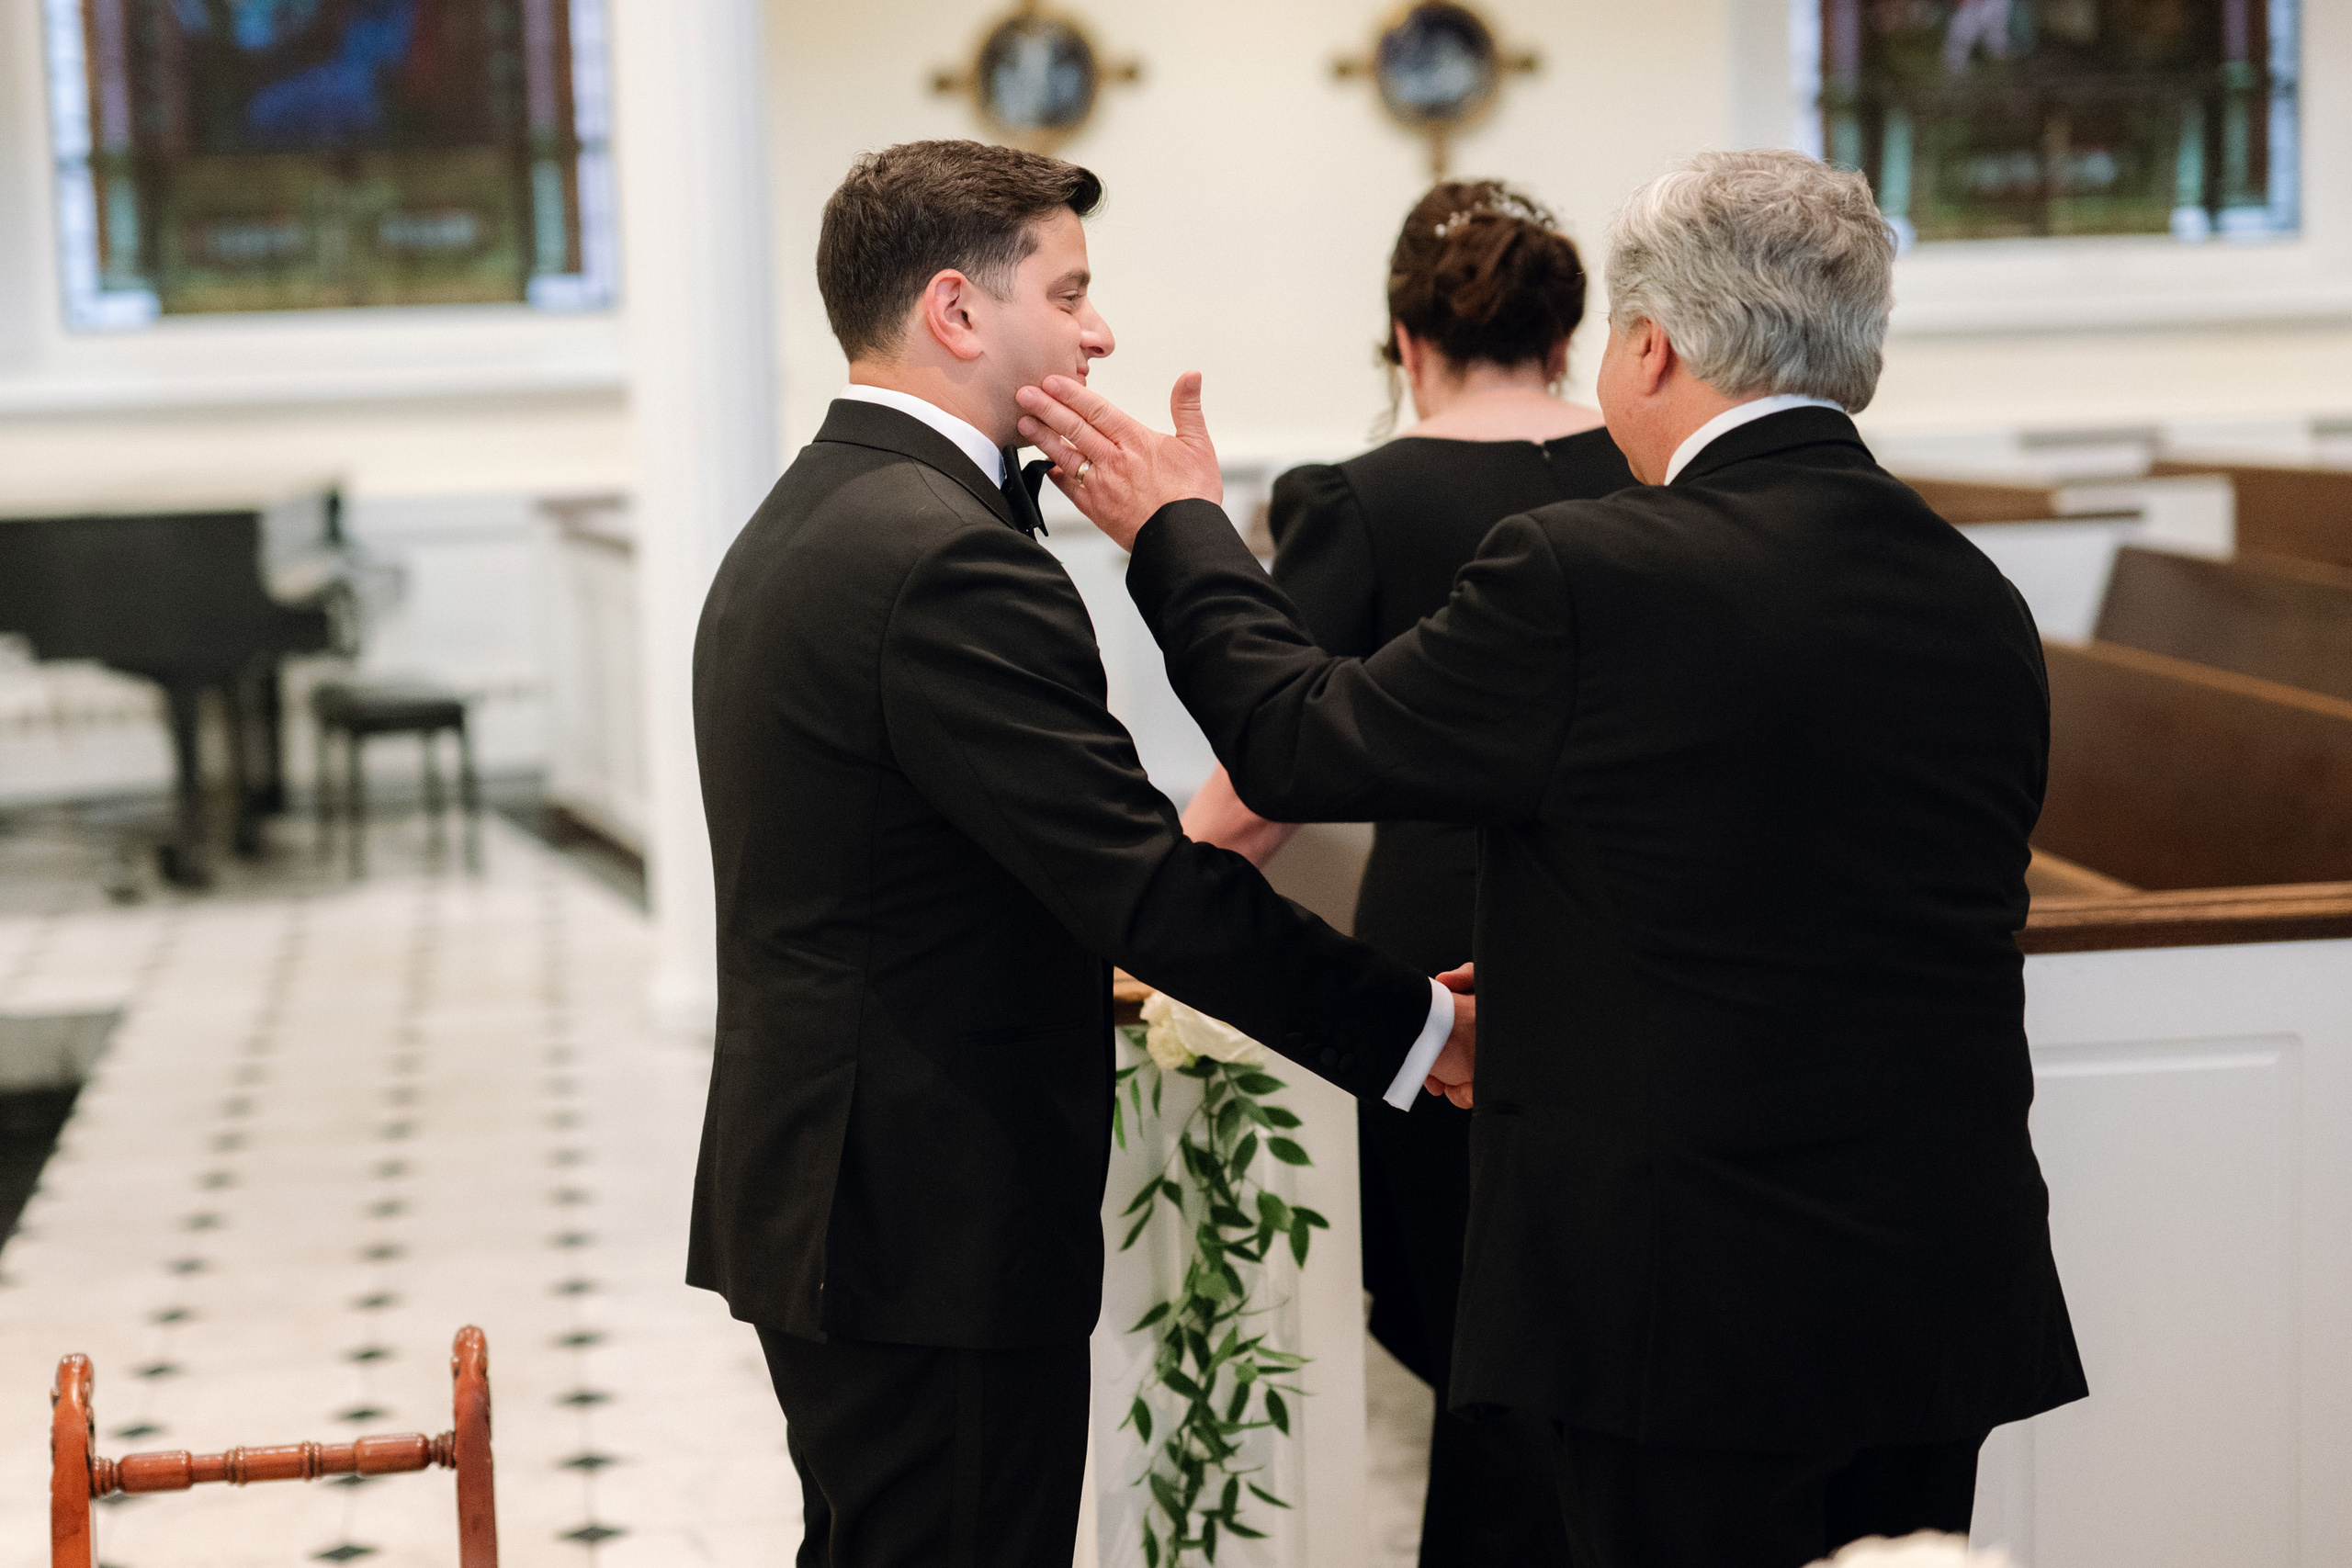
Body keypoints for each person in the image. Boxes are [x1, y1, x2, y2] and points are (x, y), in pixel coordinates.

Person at [1016, 148, 2086, 1568]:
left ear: (1649, 349)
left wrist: (1176, 531)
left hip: (1686, 1300)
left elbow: (1294, 742)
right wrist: (1574, 994)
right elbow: (1810, 901)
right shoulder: (1975, 596)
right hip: (1933, 1281)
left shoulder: (1590, 571)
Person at [685, 141, 1476, 1568]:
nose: (1102, 330)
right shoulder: (946, 557)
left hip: (838, 1198)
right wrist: (1419, 1030)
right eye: (1072, 291)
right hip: (924, 1222)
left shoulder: (818, 508)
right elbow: (1143, 886)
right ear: (957, 312)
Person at [1181, 178, 1630, 1568]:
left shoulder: (1362, 497)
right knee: (1611, 1303)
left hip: (1454, 938)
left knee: (1476, 1312)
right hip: (1627, 929)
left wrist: (1154, 891)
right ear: (1572, 333)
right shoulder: (1650, 472)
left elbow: (1279, 759)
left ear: (1403, 334)